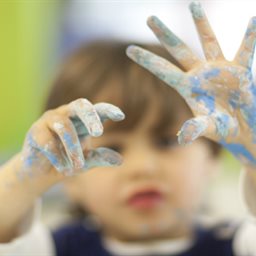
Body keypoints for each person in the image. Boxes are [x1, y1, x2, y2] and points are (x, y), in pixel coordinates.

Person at [0, 1, 256, 255]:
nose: (143, 167)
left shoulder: (239, 245)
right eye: (112, 147)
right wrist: (24, 179)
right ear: (70, 178)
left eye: (166, 142)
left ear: (213, 156)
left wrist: (252, 149)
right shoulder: (51, 249)